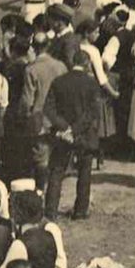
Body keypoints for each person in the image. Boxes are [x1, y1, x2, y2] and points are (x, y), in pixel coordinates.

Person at [42, 51, 101, 221]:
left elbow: (49, 109)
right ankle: (81, 211)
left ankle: (51, 210)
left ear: (72, 62)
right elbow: (92, 113)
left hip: (62, 135)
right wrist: (74, 130)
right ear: (87, 64)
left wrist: (64, 128)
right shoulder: (91, 84)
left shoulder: (59, 82)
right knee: (84, 172)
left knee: (56, 171)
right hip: (84, 135)